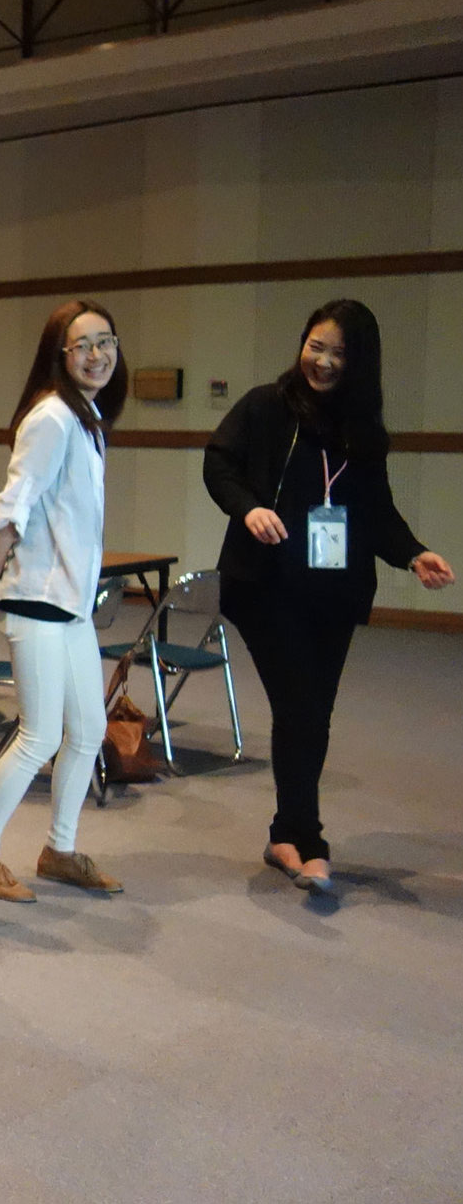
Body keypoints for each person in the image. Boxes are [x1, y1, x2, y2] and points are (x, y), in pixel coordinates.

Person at [203, 299, 453, 896]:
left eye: (339, 353)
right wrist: (250, 508)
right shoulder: (267, 405)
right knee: (302, 707)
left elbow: (375, 511)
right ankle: (303, 837)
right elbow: (219, 464)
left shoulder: (363, 430)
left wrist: (412, 552)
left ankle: (287, 834)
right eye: (316, 346)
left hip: (333, 592)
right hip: (266, 586)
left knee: (313, 712)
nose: (323, 361)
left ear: (359, 362)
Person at [0, 300, 129, 902]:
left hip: (72, 604)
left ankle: (59, 848)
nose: (97, 355)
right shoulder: (52, 418)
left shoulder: (86, 419)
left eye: (105, 341)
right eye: (82, 345)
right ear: (59, 356)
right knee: (39, 736)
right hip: (34, 599)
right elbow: (12, 509)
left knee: (87, 732)